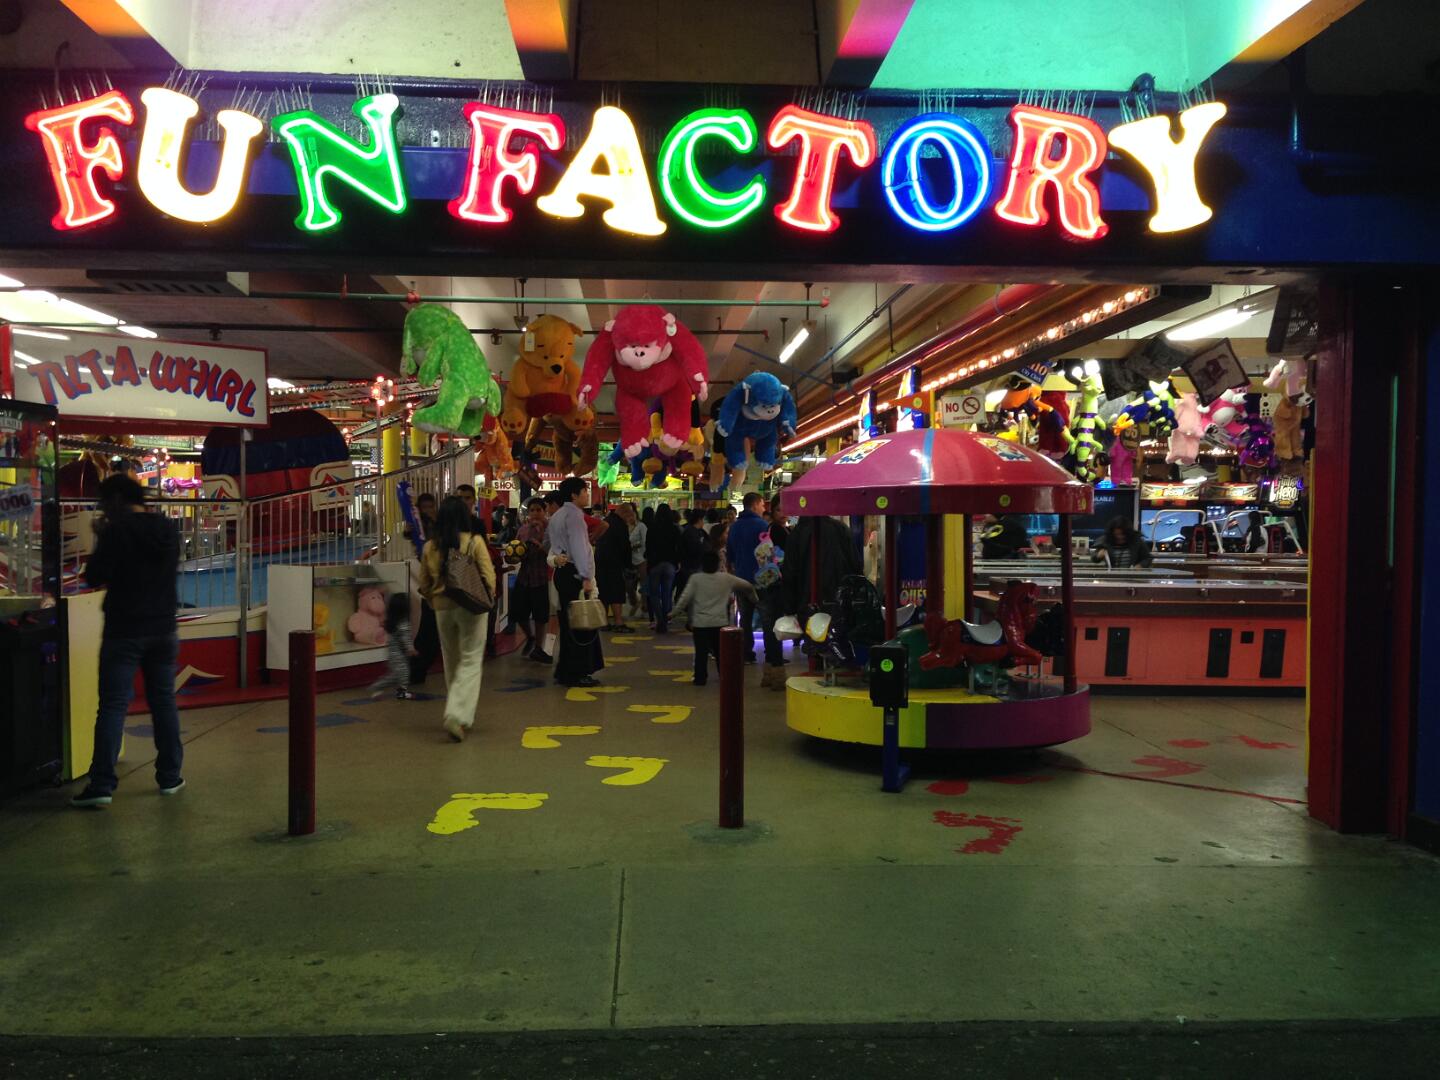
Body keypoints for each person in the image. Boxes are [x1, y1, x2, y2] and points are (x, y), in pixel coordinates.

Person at [71, 474, 184, 808]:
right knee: (163, 702)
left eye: (104, 501)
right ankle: (170, 777)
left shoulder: (116, 531)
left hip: (124, 630)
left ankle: (102, 784)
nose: (103, 507)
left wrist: (99, 537)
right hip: (164, 628)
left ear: (117, 499)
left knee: (113, 705)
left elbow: (94, 576)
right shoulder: (166, 528)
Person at [419, 495, 497, 742]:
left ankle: (458, 713)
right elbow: (488, 575)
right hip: (471, 606)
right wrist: (489, 598)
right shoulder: (474, 541)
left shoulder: (430, 546)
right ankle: (457, 713)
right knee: (471, 660)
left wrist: (432, 600)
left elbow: (424, 582)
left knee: (451, 659)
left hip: (442, 608)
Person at [548, 476, 605, 687]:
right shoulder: (574, 517)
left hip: (562, 573)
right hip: (575, 574)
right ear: (574, 495)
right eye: (584, 491)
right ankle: (578, 672)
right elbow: (579, 549)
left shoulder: (557, 516)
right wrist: (586, 577)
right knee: (581, 624)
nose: (587, 495)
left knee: (567, 623)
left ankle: (564, 669)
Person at [673, 551, 758, 685]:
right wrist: (755, 599)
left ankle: (700, 678)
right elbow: (747, 586)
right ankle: (724, 676)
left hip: (700, 623)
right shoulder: (726, 578)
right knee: (720, 653)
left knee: (701, 653)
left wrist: (673, 613)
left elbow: (685, 598)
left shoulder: (696, 579)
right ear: (718, 564)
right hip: (720, 623)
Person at [727, 492, 785, 686]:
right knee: (768, 622)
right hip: (762, 582)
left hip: (740, 579)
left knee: (744, 619)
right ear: (755, 505)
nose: (763, 508)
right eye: (762, 505)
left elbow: (730, 555)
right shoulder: (762, 526)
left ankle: (746, 653)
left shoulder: (734, 527)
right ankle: (771, 660)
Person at [406, 492, 442, 685]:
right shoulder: (418, 527)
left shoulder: (440, 525)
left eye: (431, 506)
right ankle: (416, 670)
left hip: (437, 583)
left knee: (430, 633)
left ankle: (417, 669)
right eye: (424, 507)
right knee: (428, 632)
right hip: (429, 585)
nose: (428, 510)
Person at [512, 498, 553, 664]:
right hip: (524, 577)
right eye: (532, 510)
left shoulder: (550, 529)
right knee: (518, 612)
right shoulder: (522, 529)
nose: (535, 513)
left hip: (541, 577)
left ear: (544, 511)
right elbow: (515, 550)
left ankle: (538, 648)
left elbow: (552, 552)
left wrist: (539, 539)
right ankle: (530, 636)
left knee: (540, 616)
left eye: (538, 510)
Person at [370, 592, 417, 701]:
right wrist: (411, 649)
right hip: (399, 656)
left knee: (399, 674)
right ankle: (379, 686)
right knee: (401, 674)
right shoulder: (403, 624)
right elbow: (405, 638)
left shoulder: (393, 622)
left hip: (392, 654)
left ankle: (400, 692)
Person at [644, 504, 684, 633]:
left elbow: (648, 547)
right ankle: (665, 620)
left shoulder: (652, 528)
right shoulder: (674, 529)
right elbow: (679, 547)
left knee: (654, 594)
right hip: (669, 564)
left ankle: (659, 620)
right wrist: (678, 561)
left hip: (654, 564)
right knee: (667, 594)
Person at [594, 505, 633, 632]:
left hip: (599, 562)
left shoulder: (605, 521)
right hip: (614, 563)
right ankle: (618, 622)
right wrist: (629, 565)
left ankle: (604, 622)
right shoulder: (620, 525)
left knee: (603, 592)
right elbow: (625, 547)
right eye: (629, 515)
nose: (630, 518)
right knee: (616, 592)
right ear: (624, 513)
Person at [675, 509, 708, 621]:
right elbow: (694, 549)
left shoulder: (695, 531)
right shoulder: (691, 532)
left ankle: (693, 618)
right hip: (692, 566)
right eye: (704, 519)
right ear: (699, 519)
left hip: (692, 565)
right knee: (694, 594)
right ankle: (692, 619)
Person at [624, 502, 647, 619]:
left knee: (644, 584)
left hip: (641, 559)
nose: (630, 517)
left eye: (632, 514)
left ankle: (644, 606)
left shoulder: (641, 526)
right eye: (628, 515)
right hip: (629, 560)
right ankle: (635, 602)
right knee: (628, 585)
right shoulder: (625, 527)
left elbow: (645, 542)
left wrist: (634, 546)